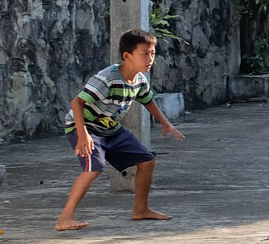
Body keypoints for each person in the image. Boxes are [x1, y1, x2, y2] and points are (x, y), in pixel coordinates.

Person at [55, 29, 186, 232]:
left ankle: (140, 210)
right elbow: (77, 102)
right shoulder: (107, 78)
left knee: (147, 160)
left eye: (152, 53)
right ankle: (65, 217)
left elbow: (147, 100)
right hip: (84, 126)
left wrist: (165, 122)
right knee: (94, 168)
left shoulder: (140, 80)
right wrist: (83, 135)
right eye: (145, 53)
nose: (150, 58)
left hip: (110, 128)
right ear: (127, 56)